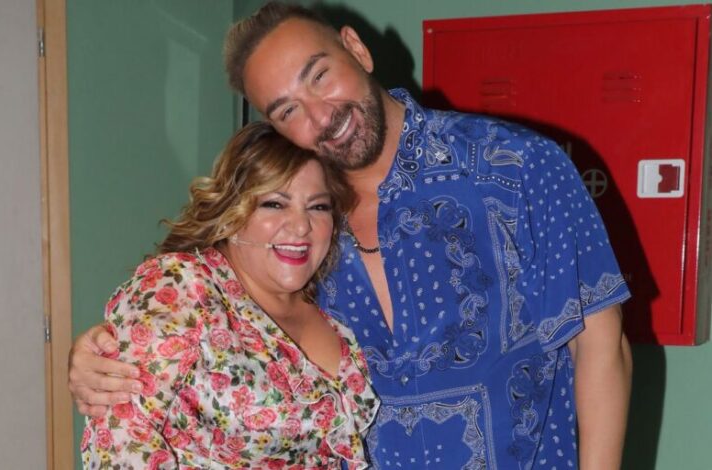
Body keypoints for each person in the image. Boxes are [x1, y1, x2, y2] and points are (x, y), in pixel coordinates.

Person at [70, 3, 633, 469]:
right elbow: (203, 312)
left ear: (356, 49)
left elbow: (601, 347)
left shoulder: (516, 167)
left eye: (319, 75)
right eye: (288, 110)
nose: (320, 116)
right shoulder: (300, 231)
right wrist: (100, 354)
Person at [79, 121, 379, 469]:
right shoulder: (182, 287)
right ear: (232, 210)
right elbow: (121, 443)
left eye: (318, 207)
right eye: (274, 204)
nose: (301, 226)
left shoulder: (335, 302)